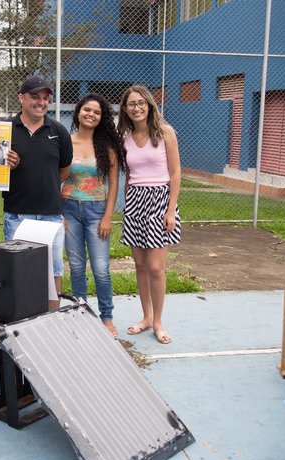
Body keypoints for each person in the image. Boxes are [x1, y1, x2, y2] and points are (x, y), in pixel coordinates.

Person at [117, 85, 181, 345]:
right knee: (140, 266)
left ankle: (158, 321)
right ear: (125, 109)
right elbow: (129, 175)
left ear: (150, 105)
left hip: (160, 201)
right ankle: (145, 318)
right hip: (135, 202)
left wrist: (170, 210)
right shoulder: (125, 136)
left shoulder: (165, 133)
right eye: (131, 104)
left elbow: (176, 173)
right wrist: (127, 206)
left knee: (156, 267)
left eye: (141, 103)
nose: (136, 107)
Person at [2, 75, 73, 310]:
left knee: (53, 270)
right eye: (35, 97)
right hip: (17, 215)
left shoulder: (59, 131)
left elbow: (64, 170)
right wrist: (6, 166)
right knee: (19, 270)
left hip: (50, 214)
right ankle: (23, 317)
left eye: (45, 98)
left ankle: (53, 319)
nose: (41, 102)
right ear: (21, 98)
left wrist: (47, 185)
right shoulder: (5, 131)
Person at [61, 93, 126, 336]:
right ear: (78, 112)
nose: (91, 114)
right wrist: (60, 214)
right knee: (77, 266)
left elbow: (113, 184)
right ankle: (80, 313)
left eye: (97, 112)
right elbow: (56, 178)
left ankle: (106, 317)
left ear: (102, 118)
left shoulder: (107, 147)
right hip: (68, 209)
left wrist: (108, 216)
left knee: (100, 267)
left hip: (97, 212)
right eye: (87, 110)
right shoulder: (66, 141)